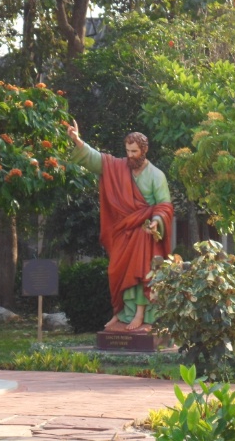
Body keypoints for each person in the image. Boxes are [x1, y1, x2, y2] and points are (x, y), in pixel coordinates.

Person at [67, 121, 173, 331]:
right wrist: (78, 141)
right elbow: (98, 160)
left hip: (145, 234)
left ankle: (141, 314)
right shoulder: (118, 167)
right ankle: (122, 313)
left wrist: (155, 221)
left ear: (144, 150)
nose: (130, 155)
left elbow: (165, 205)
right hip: (123, 232)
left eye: (134, 151)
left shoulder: (156, 175)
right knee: (117, 271)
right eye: (127, 151)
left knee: (142, 271)